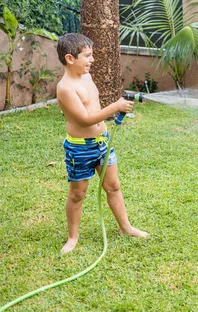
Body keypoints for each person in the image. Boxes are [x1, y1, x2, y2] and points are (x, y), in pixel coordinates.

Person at [56, 33, 148, 253]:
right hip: (80, 147)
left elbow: (94, 109)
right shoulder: (66, 88)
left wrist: (112, 114)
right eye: (87, 56)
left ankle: (126, 227)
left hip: (103, 143)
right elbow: (84, 119)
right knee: (78, 194)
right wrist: (115, 107)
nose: (92, 60)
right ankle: (72, 237)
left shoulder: (86, 78)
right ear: (70, 58)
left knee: (113, 186)